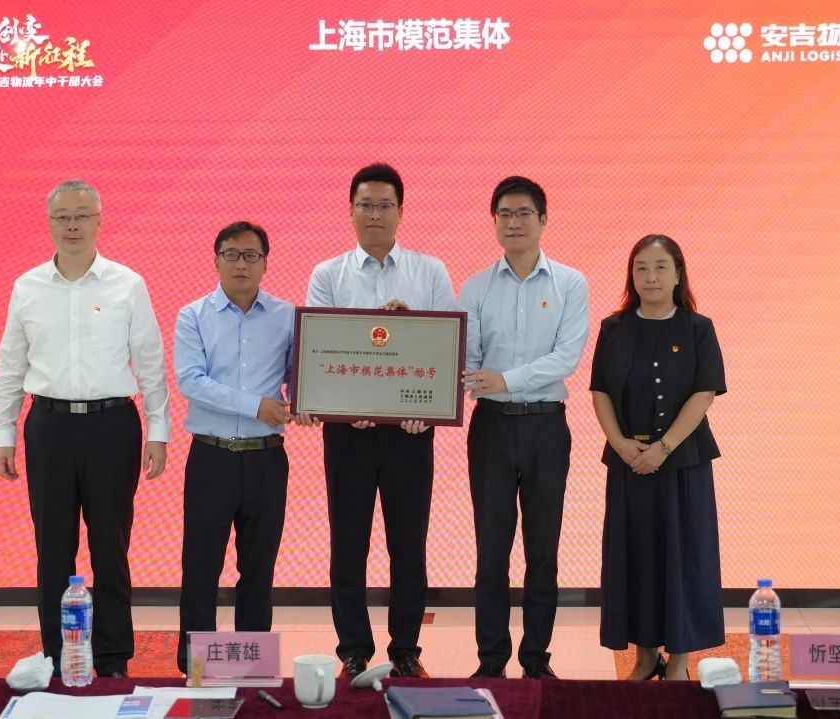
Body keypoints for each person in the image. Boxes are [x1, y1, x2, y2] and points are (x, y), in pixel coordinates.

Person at [0, 179, 170, 678]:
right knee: (53, 547)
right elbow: (10, 364)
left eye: (82, 216)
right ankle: (57, 654)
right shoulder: (27, 287)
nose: (73, 225)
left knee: (111, 546)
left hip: (112, 426)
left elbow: (150, 361)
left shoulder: (127, 284)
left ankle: (113, 658)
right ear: (50, 223)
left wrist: (158, 429)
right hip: (47, 426)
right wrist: (5, 432)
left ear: (99, 220)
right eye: (63, 217)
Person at [305, 162, 457, 678]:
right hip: (347, 434)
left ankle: (406, 649)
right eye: (365, 205)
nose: (375, 214)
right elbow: (320, 352)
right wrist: (346, 405)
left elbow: (445, 350)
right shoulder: (328, 274)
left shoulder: (429, 272)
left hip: (409, 432)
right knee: (348, 544)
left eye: (384, 205)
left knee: (408, 546)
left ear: (400, 212)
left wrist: (411, 330)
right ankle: (353, 650)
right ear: (350, 211)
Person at [459, 176, 589, 679]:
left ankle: (536, 660)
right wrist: (481, 380)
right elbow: (468, 362)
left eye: (524, 213)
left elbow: (566, 358)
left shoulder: (570, 283)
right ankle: (491, 661)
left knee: (543, 550)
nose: (514, 223)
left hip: (546, 428)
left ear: (543, 220)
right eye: (505, 214)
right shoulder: (476, 287)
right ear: (494, 222)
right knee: (491, 551)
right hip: (490, 428)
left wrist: (505, 379)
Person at [589, 234, 727, 681]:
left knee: (683, 556)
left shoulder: (697, 327)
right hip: (629, 463)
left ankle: (680, 661)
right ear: (631, 275)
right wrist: (621, 444)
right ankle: (645, 656)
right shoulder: (614, 328)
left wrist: (664, 448)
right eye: (641, 267)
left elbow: (704, 393)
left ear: (678, 274)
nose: (651, 276)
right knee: (636, 557)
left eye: (661, 267)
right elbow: (600, 391)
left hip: (683, 462)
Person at [172, 221, 298, 675]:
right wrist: (256, 405)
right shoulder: (193, 315)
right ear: (216, 260)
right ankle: (196, 669)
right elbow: (192, 381)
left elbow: (299, 377)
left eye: (250, 255)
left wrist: (309, 402)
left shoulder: (288, 316)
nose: (240, 263)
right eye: (231, 254)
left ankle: (251, 668)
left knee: (259, 568)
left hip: (267, 457)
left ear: (265, 263)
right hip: (212, 456)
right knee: (201, 566)